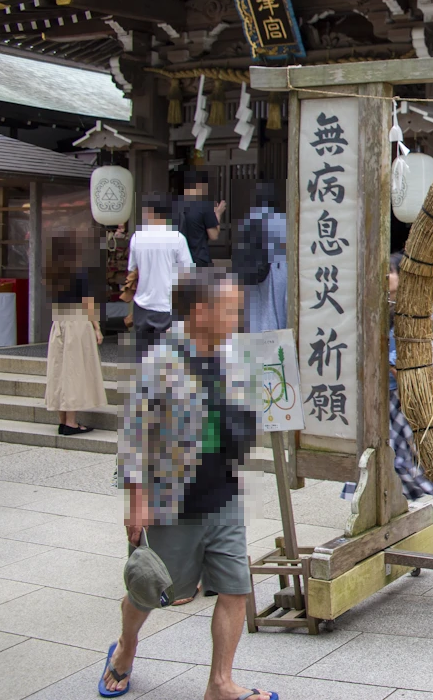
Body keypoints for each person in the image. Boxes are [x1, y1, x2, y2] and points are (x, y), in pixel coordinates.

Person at [105, 268, 277, 700]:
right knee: (149, 590)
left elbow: (255, 407)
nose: (238, 317)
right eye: (230, 309)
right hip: (171, 500)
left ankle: (220, 683)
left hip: (223, 495)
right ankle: (125, 649)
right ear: (201, 312)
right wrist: (135, 500)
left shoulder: (234, 355)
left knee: (236, 588)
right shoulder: (160, 361)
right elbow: (133, 434)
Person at [386, 252, 433, 526]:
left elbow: (400, 359)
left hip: (403, 393)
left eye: (389, 272)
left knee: (402, 453)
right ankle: (422, 500)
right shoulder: (387, 306)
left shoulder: (409, 309)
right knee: (397, 451)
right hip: (392, 393)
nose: (385, 277)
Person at [43, 236, 106, 436]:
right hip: (77, 323)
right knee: (75, 371)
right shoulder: (79, 272)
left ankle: (63, 420)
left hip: (59, 323)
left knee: (60, 371)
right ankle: (71, 422)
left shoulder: (51, 273)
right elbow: (87, 303)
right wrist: (97, 327)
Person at [124, 195, 194, 357]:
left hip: (142, 306)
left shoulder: (137, 237)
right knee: (169, 359)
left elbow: (132, 270)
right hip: (168, 307)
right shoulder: (178, 239)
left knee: (143, 356)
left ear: (150, 213)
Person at [238, 182, 288, 333]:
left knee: (257, 311)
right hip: (279, 270)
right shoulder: (282, 220)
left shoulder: (249, 220)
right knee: (278, 309)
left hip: (254, 272)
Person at [177, 169, 227, 268]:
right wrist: (218, 214)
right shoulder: (204, 207)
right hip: (199, 259)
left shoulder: (176, 206)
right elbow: (214, 235)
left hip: (178, 259)